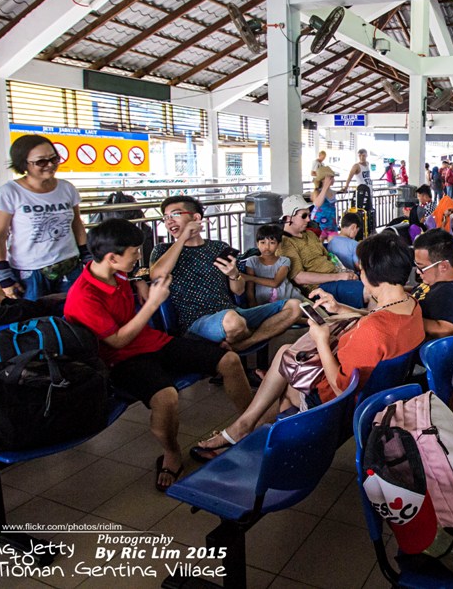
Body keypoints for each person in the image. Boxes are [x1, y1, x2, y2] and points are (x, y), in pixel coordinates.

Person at [191, 234, 425, 458]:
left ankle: (244, 432)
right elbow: (377, 316)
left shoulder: (372, 331)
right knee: (282, 371)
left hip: (336, 407)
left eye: (361, 269)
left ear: (371, 274)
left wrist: (322, 340)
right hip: (376, 395)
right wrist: (341, 309)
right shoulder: (410, 305)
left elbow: (341, 389)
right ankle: (244, 431)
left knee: (283, 371)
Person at [65, 219, 253, 491]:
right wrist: (152, 303)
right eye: (134, 253)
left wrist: (142, 283)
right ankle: (172, 452)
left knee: (230, 360)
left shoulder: (116, 273)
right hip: (120, 360)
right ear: (112, 257)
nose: (138, 257)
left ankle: (249, 426)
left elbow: (139, 274)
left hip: (153, 342)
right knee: (167, 398)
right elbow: (117, 341)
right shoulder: (83, 296)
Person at [149, 196, 301, 348]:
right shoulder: (162, 250)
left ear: (195, 217)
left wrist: (233, 274)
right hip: (196, 321)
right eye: (166, 217)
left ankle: (244, 344)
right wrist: (182, 239)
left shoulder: (219, 247)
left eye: (175, 214)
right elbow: (157, 275)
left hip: (231, 312)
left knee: (295, 306)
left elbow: (239, 290)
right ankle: (249, 336)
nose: (169, 221)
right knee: (233, 322)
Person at [0, 135, 88, 300]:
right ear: (24, 164)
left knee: (74, 316)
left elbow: (77, 224)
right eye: (41, 161)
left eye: (54, 159)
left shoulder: (67, 189)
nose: (50, 165)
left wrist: (87, 256)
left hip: (70, 266)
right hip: (31, 272)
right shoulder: (8, 193)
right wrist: (4, 277)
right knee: (35, 318)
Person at [278, 195, 366, 308]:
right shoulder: (285, 243)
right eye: (304, 216)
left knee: (377, 284)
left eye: (308, 215)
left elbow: (329, 257)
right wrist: (339, 276)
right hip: (319, 288)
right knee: (368, 291)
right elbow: (299, 277)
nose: (308, 220)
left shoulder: (310, 235)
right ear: (288, 218)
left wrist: (346, 273)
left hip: (337, 277)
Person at [413, 229, 453, 339]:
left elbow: (445, 329)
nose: (418, 272)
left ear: (443, 266)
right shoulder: (435, 282)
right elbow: (420, 290)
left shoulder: (449, 292)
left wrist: (407, 319)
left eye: (421, 267)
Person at [242, 225, 302, 306]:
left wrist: (249, 278)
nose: (267, 247)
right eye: (262, 242)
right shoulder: (252, 261)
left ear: (278, 245)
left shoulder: (284, 261)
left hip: (290, 297)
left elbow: (275, 283)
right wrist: (253, 305)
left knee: (316, 313)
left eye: (272, 243)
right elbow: (250, 289)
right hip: (265, 303)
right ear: (257, 244)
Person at [310, 165, 338, 238]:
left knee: (333, 244)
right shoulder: (317, 192)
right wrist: (325, 187)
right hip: (320, 223)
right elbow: (318, 204)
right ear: (323, 180)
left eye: (333, 178)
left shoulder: (332, 192)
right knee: (319, 245)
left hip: (331, 223)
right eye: (330, 178)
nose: (333, 180)